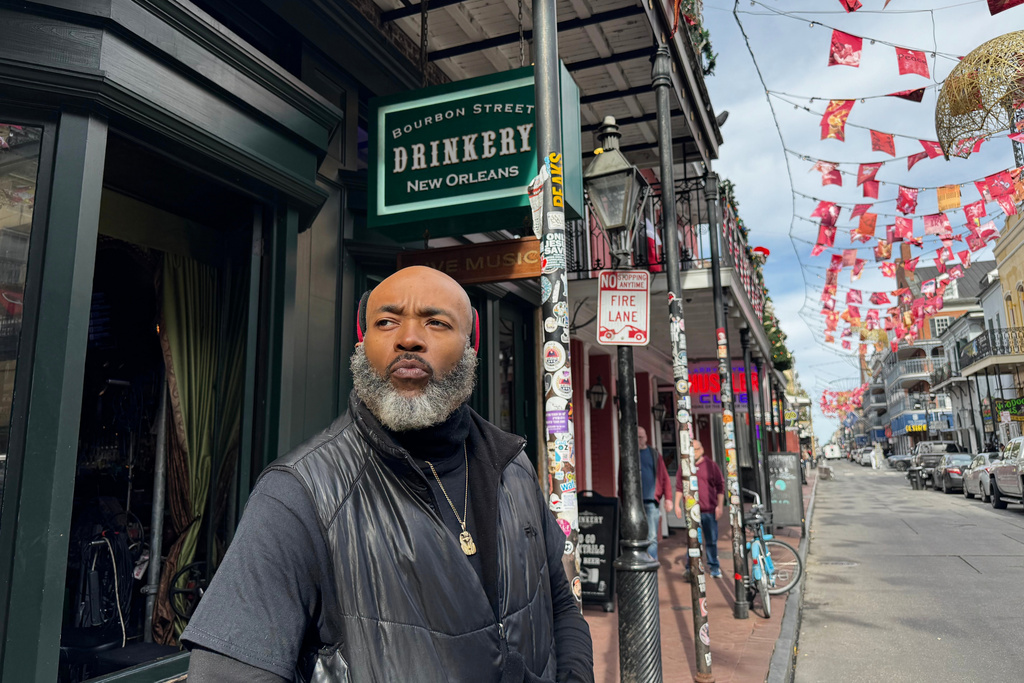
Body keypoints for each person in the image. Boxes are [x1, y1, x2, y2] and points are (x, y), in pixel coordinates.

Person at [182, 266, 594, 683]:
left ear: (471, 348)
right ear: (363, 346)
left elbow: (559, 602)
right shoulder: (298, 495)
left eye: (436, 322)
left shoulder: (514, 466)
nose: (408, 338)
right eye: (386, 322)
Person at [672, 440, 725, 579]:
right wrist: (676, 505)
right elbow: (679, 487)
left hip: (709, 510)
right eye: (691, 449)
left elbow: (720, 486)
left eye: (696, 449)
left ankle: (714, 567)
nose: (693, 452)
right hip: (692, 512)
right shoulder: (684, 466)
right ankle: (691, 567)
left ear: (701, 450)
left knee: (711, 540)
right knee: (693, 540)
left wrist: (720, 506)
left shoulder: (711, 465)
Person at [635, 426, 673, 560]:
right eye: (637, 437)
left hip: (651, 501)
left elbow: (664, 477)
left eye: (642, 437)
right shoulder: (629, 454)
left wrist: (668, 498)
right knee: (635, 535)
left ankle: (651, 562)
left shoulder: (654, 454)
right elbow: (621, 477)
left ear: (646, 438)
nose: (640, 439)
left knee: (651, 536)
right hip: (634, 502)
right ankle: (640, 562)